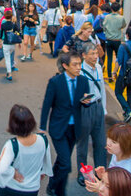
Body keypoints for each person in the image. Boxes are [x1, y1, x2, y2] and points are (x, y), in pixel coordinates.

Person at [39, 52, 90, 196]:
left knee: (63, 160)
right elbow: (47, 104)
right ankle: (57, 189)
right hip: (58, 127)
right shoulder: (55, 82)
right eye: (75, 64)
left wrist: (87, 102)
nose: (79, 67)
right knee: (66, 163)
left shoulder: (83, 81)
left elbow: (83, 103)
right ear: (65, 66)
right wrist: (42, 127)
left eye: (80, 64)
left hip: (74, 128)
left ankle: (53, 186)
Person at [0, 104, 53, 196]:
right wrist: (42, 172)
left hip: (11, 188)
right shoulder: (43, 140)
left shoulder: (12, 145)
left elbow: (2, 168)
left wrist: (13, 172)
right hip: (32, 189)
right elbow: (46, 160)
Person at [77, 43, 107, 186]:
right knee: (82, 144)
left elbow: (102, 90)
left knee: (101, 143)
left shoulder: (99, 68)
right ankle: (82, 173)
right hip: (85, 110)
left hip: (98, 107)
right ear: (84, 55)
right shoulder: (79, 71)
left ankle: (100, 173)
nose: (96, 57)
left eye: (96, 53)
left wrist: (104, 109)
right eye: (92, 54)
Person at [103, 3, 126, 83]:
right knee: (118, 58)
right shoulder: (121, 18)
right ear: (119, 9)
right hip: (117, 40)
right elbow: (123, 26)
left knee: (109, 58)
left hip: (109, 40)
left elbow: (104, 26)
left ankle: (109, 76)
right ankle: (116, 73)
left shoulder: (107, 17)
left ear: (111, 9)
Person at [0, 9, 20, 81]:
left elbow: (0, 34)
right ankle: (9, 70)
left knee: (7, 59)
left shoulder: (3, 25)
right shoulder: (13, 25)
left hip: (6, 43)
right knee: (10, 56)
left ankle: (9, 73)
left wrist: (0, 42)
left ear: (5, 17)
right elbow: (18, 32)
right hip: (12, 43)